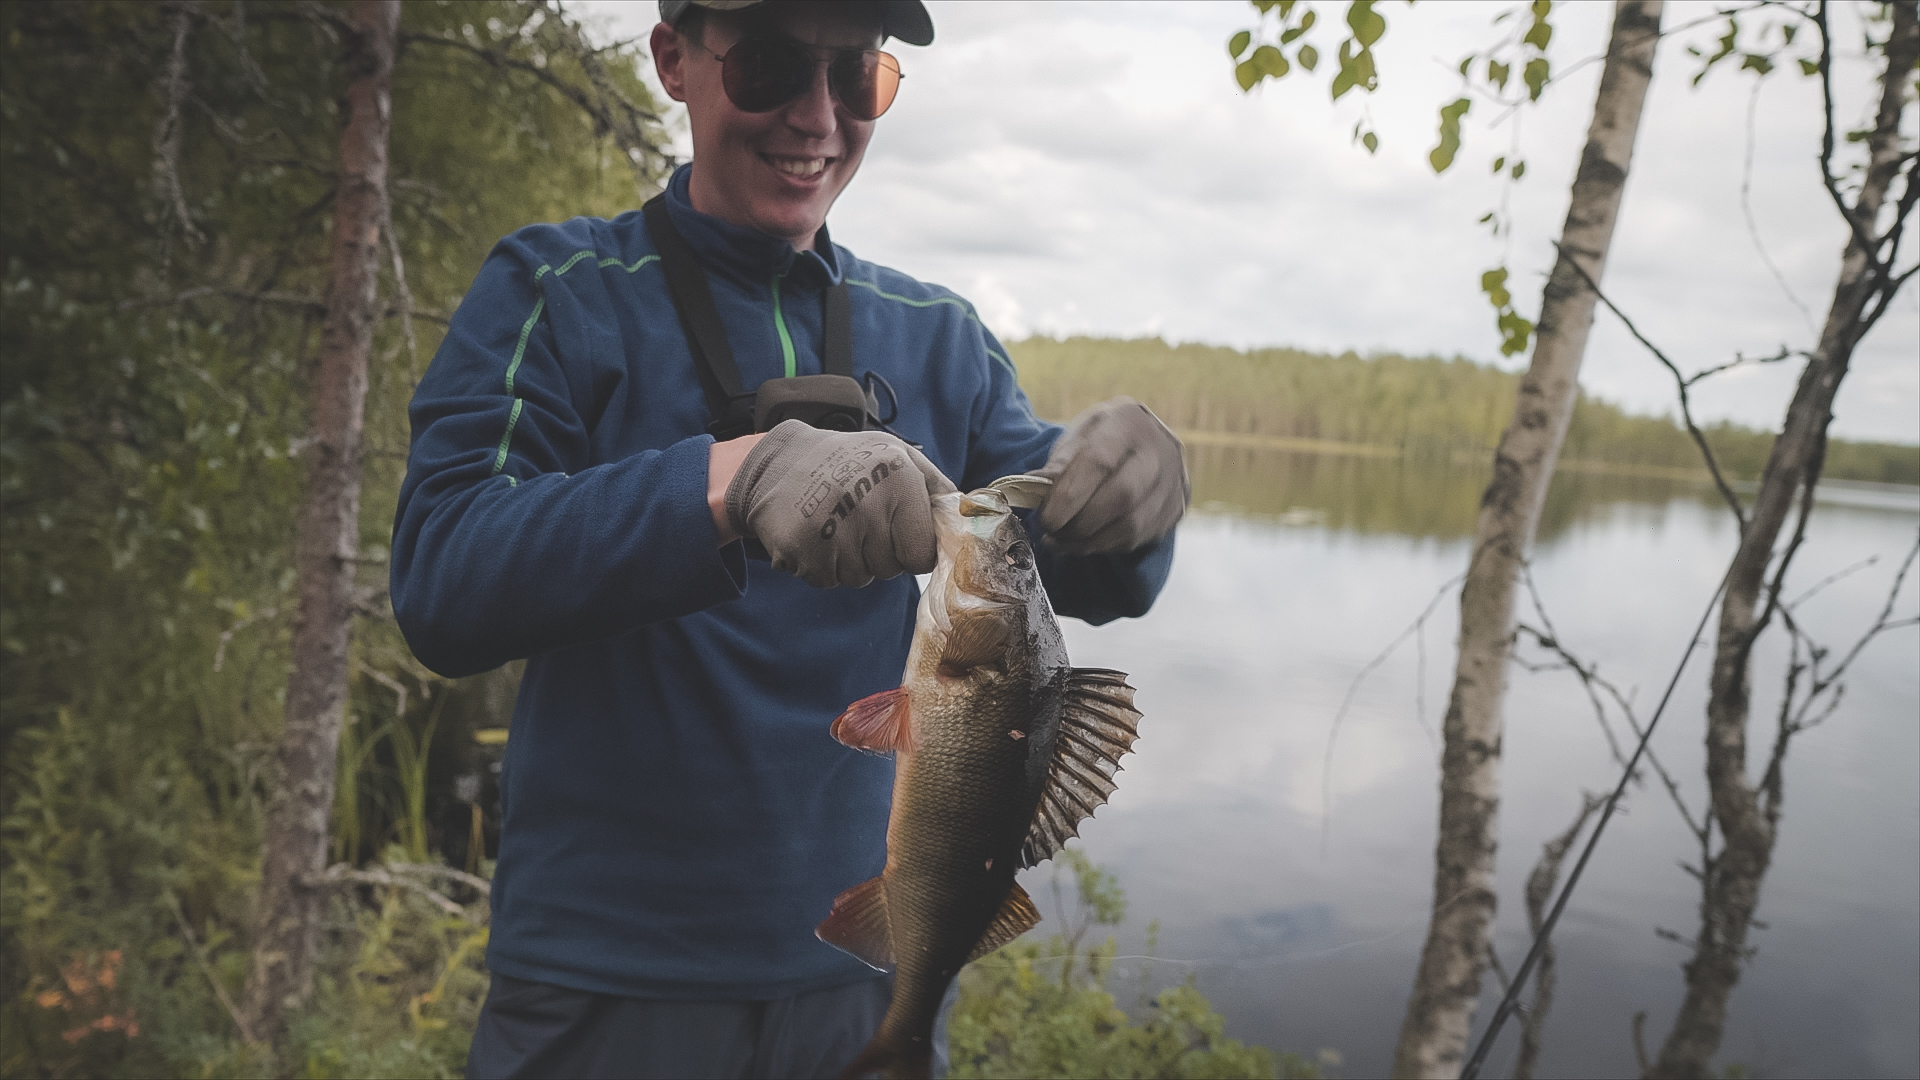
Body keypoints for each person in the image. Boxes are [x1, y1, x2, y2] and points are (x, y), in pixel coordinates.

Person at [389, 2, 1188, 1076]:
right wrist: (724, 480)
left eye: (855, 76)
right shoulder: (559, 294)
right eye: (769, 66)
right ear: (676, 58)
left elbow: (1074, 562)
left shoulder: (940, 339)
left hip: (868, 982)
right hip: (604, 989)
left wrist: (1137, 498)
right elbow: (443, 575)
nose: (817, 117)